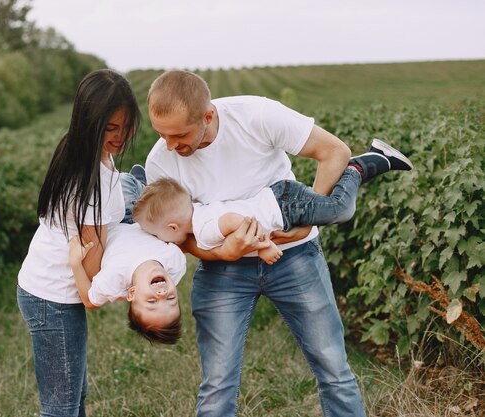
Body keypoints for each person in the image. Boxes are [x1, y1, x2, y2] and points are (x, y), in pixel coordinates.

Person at [144, 69, 406, 416]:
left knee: (333, 368)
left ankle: (365, 167)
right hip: (222, 270)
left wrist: (305, 222)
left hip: (295, 257)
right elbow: (178, 236)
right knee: (217, 386)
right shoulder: (160, 161)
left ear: (207, 116)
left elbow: (333, 151)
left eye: (179, 135)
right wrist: (225, 251)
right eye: (161, 134)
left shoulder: (256, 115)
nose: (170, 145)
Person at [16, 68, 140, 417]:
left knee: (74, 397)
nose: (120, 136)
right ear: (91, 123)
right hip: (53, 297)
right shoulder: (93, 179)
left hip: (47, 291)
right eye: (111, 128)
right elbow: (91, 274)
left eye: (126, 126)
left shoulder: (82, 152)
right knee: (61, 408)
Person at [134, 139, 412, 265]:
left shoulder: (204, 227)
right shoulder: (198, 212)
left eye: (158, 236)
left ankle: (360, 167)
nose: (164, 242)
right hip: (281, 201)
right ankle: (369, 161)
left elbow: (235, 221)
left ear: (172, 227)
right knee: (336, 208)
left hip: (284, 205)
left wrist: (264, 246)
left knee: (340, 209)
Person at [67, 221, 186, 344]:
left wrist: (75, 263)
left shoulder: (115, 279)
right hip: (140, 215)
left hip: (111, 222)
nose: (162, 293)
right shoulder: (175, 263)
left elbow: (89, 301)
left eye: (152, 301)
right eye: (171, 298)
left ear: (131, 293)